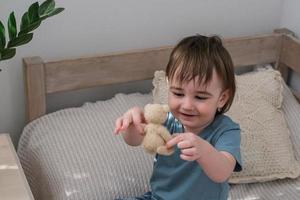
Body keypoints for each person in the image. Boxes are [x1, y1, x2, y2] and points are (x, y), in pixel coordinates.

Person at [114, 34, 242, 200]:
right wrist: (132, 124)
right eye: (178, 93)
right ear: (169, 86)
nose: (187, 105)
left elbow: (222, 172)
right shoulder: (165, 119)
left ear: (222, 98)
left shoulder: (225, 130)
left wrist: (203, 150)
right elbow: (133, 140)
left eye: (200, 97)